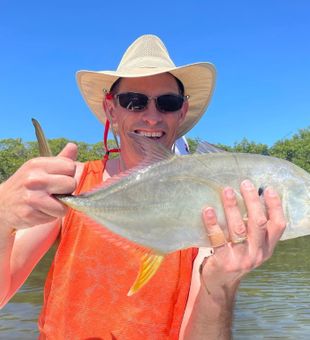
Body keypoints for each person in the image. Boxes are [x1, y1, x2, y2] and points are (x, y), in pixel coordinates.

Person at [0, 35, 286, 339]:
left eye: (167, 103)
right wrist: (3, 217)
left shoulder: (209, 208)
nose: (151, 117)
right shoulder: (71, 185)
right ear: (111, 109)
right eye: (133, 101)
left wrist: (221, 286)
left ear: (182, 111)